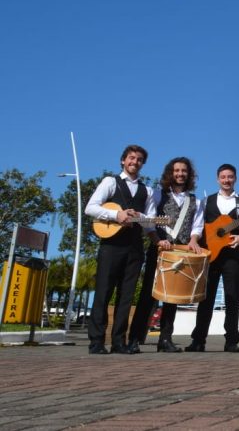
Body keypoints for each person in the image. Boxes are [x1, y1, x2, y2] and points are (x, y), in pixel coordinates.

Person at [130, 157, 204, 353]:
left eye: (184, 171)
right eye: (176, 170)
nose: (180, 174)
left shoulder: (194, 200)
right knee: (149, 294)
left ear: (189, 174)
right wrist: (156, 240)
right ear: (170, 173)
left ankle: (165, 339)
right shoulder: (157, 194)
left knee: (173, 297)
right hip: (160, 249)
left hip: (181, 251)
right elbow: (148, 221)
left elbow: (197, 225)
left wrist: (194, 240)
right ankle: (135, 338)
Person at [84, 145, 153, 355]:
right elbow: (90, 207)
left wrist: (142, 219)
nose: (135, 162)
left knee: (126, 296)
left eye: (140, 159)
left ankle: (118, 342)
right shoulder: (110, 182)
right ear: (123, 160)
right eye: (131, 158)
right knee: (103, 292)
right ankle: (96, 341)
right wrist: (117, 216)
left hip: (135, 248)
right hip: (111, 246)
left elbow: (149, 222)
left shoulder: (146, 190)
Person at [187, 163, 239, 353]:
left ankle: (231, 341)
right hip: (210, 254)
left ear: (235, 179)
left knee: (232, 297)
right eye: (223, 177)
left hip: (232, 254)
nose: (227, 180)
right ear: (218, 179)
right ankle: (198, 340)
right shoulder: (206, 201)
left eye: (230, 177)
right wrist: (196, 241)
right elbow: (199, 226)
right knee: (205, 297)